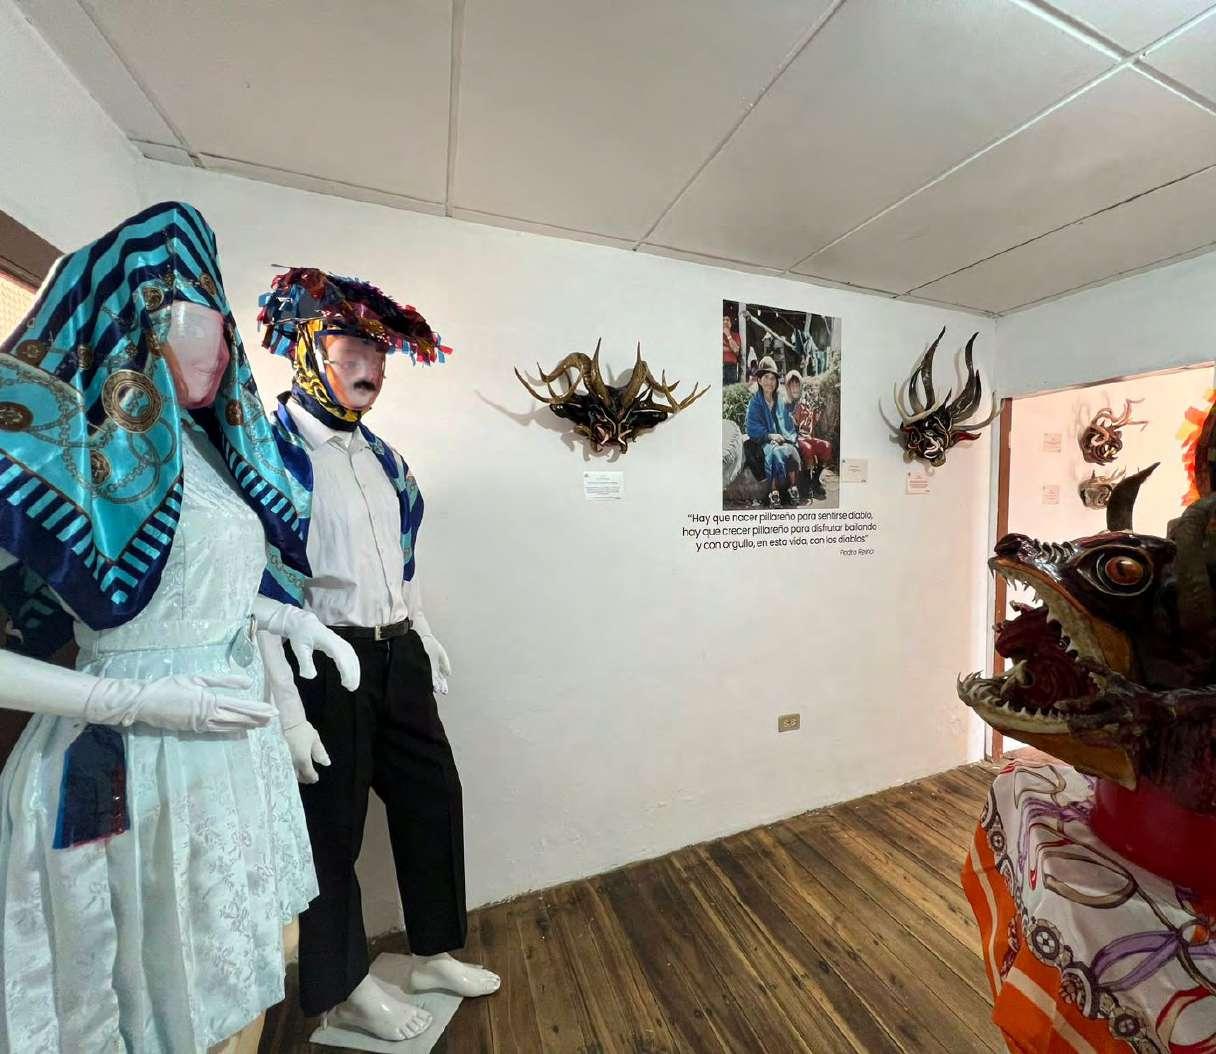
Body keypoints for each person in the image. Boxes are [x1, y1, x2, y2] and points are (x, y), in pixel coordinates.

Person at [0, 202, 360, 1053]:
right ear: (141, 317)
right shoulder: (49, 445)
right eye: (204, 317)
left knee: (250, 969)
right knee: (145, 997)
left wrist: (284, 618)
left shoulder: (194, 449)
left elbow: (192, 587)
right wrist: (131, 700)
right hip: (128, 755)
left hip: (227, 747)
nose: (224, 345)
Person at [256, 268, 500, 1044]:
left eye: (380, 354)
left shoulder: (381, 457)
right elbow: (253, 589)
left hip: (398, 655)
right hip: (325, 664)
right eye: (352, 350)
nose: (372, 368)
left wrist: (422, 631)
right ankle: (344, 988)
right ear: (307, 351)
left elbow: (402, 561)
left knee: (435, 796)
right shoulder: (271, 457)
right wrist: (289, 713)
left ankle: (433, 952)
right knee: (331, 829)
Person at [744, 356, 800, 507]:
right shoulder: (755, 402)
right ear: (759, 380)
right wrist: (770, 436)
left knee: (790, 449)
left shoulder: (779, 400)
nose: (770, 382)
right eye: (766, 378)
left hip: (781, 438)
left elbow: (786, 423)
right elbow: (752, 427)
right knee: (774, 452)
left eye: (773, 378)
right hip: (762, 441)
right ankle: (773, 492)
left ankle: (792, 488)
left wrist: (784, 438)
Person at [781, 372, 831, 502]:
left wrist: (816, 415)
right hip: (793, 438)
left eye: (797, 385)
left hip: (806, 436)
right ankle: (807, 483)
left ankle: (815, 480)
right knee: (808, 448)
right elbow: (784, 427)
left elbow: (810, 424)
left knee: (826, 446)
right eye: (792, 386)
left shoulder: (806, 402)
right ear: (787, 387)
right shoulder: (784, 404)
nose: (795, 389)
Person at [722, 314, 740, 386]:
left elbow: (736, 350)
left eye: (727, 320)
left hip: (731, 367)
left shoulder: (736, 335)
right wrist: (730, 348)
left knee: (730, 389)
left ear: (731, 323)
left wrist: (728, 335)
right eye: (723, 320)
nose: (725, 322)